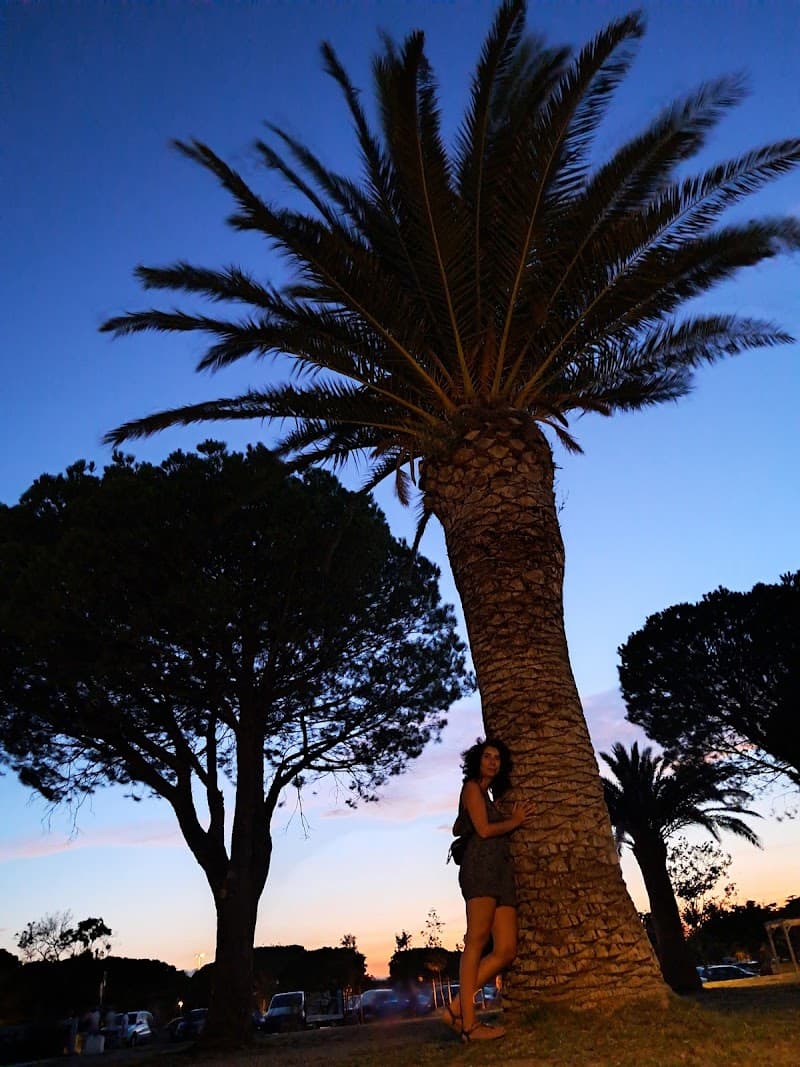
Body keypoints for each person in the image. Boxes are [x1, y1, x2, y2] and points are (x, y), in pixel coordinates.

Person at [443, 738, 533, 1043]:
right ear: (477, 761)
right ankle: (470, 1024)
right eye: (487, 757)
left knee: (506, 948)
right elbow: (483, 830)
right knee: (477, 941)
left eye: (497, 758)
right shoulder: (471, 787)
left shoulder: (486, 795)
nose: (493, 762)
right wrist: (516, 821)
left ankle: (456, 1008)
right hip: (480, 869)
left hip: (502, 873)